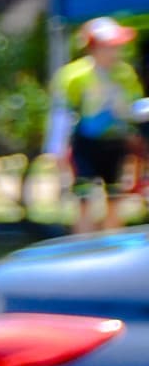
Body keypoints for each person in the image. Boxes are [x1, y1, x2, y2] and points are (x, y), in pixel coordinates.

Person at [57, 16, 142, 235]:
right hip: (85, 146)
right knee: (84, 201)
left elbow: (133, 110)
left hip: (115, 145)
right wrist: (56, 150)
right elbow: (62, 116)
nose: (115, 52)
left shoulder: (125, 75)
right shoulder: (74, 76)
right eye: (110, 46)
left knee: (114, 200)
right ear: (94, 47)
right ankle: (83, 251)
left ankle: (111, 256)